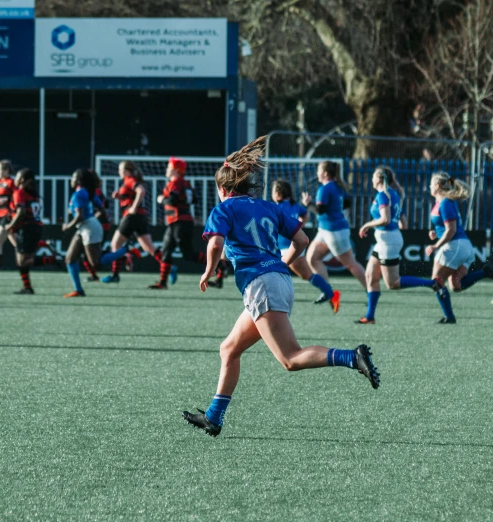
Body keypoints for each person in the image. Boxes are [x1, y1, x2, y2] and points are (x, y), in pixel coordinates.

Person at [182, 137, 380, 438]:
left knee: (290, 359)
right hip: (279, 282)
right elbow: (302, 241)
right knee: (229, 349)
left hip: (261, 287)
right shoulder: (268, 207)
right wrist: (280, 262)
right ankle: (213, 417)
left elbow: (216, 244)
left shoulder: (223, 209)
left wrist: (208, 271)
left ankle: (352, 357)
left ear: (223, 189)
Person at [355, 167, 437, 324]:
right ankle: (370, 317)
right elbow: (403, 224)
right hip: (386, 240)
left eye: (373, 176)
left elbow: (385, 219)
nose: (371, 179)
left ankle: (431, 283)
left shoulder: (382, 195)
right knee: (370, 276)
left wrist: (368, 225)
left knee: (392, 283)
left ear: (379, 178)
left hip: (388, 240)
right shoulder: (394, 195)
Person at [421, 172, 493, 323]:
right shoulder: (442, 202)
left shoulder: (445, 202)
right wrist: (436, 234)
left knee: (436, 281)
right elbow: (447, 228)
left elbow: (451, 230)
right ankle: (484, 272)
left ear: (437, 186)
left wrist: (436, 245)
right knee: (456, 285)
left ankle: (449, 317)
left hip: (455, 246)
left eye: (431, 184)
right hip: (462, 246)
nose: (429, 187)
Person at [304, 161, 366, 303]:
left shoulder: (324, 189)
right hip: (327, 230)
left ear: (325, 173)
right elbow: (347, 203)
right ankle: (328, 292)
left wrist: (308, 204)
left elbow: (320, 210)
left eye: (319, 170)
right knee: (312, 258)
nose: (317, 173)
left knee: (350, 263)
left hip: (334, 231)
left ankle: (371, 290)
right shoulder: (337, 186)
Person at [272, 179, 340, 312]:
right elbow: (305, 215)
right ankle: (330, 293)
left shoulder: (276, 207)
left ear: (278, 193)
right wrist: (298, 226)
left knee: (304, 275)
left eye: (274, 191)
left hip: (286, 247)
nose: (272, 194)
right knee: (292, 274)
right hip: (293, 245)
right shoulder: (295, 206)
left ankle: (331, 294)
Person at [149, 157, 206, 289]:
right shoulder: (186, 183)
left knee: (188, 254)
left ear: (175, 170)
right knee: (166, 251)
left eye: (169, 167)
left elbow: (172, 201)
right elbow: (194, 199)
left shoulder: (175, 183)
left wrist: (161, 199)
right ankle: (163, 282)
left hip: (179, 222)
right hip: (179, 222)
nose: (166, 169)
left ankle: (219, 265)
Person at [99, 161, 158, 284]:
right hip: (141, 217)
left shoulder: (129, 180)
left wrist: (133, 208)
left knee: (115, 244)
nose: (119, 172)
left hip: (131, 217)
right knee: (149, 248)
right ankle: (169, 267)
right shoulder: (129, 181)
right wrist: (120, 197)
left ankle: (119, 268)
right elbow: (131, 196)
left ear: (127, 171)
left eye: (121, 170)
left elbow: (141, 191)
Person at [5, 168, 54, 295]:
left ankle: (52, 260)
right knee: (25, 259)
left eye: (16, 177)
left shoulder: (19, 192)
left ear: (21, 180)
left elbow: (21, 212)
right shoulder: (34, 195)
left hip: (27, 229)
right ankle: (27, 287)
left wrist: (10, 224)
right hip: (35, 227)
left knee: (22, 262)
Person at [62, 169, 104, 297]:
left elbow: (79, 216)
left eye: (73, 178)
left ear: (78, 181)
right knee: (70, 258)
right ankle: (78, 290)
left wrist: (67, 226)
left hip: (88, 226)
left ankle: (123, 256)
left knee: (95, 263)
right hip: (86, 226)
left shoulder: (78, 194)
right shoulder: (87, 192)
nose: (71, 180)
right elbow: (101, 208)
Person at [83, 170, 111, 282]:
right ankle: (94, 276)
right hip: (95, 226)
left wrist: (93, 218)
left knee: (93, 256)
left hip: (99, 226)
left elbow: (103, 209)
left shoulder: (95, 192)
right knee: (87, 255)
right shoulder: (89, 191)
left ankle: (121, 257)